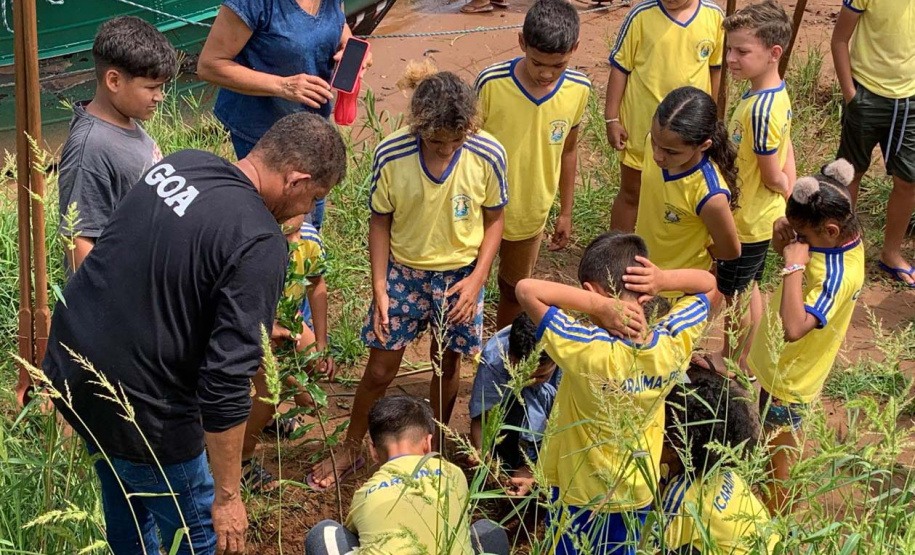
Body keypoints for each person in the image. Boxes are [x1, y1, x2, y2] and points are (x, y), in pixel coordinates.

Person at [41, 112, 347, 555]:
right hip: (145, 413)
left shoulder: (183, 164)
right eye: (314, 197)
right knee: (201, 539)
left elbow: (160, 268)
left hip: (74, 371)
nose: (307, 210)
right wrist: (228, 496)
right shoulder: (262, 243)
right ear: (296, 180)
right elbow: (225, 383)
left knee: (126, 503)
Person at [309, 66, 507, 490]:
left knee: (447, 361)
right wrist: (380, 288)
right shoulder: (391, 153)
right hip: (403, 272)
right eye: (436, 142)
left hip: (461, 276)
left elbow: (495, 220)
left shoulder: (488, 153)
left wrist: (477, 280)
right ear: (418, 127)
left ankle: (430, 445)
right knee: (380, 368)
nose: (446, 151)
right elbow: (379, 222)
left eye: (456, 142)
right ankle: (350, 444)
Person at [516, 231, 717, 555]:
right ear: (645, 289)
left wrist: (599, 305)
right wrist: (662, 278)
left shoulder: (585, 349)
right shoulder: (671, 343)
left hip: (578, 492)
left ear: (590, 292)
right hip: (636, 490)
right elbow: (708, 284)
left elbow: (526, 290)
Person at [747, 159, 865, 514]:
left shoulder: (837, 274)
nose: (799, 242)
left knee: (778, 463)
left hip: (791, 382)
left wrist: (794, 265)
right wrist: (785, 241)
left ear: (830, 231)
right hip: (778, 369)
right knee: (771, 448)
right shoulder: (834, 238)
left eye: (804, 236)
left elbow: (794, 328)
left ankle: (774, 523)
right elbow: (784, 254)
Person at [197, 0, 369, 231]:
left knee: (310, 217)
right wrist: (283, 86)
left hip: (311, 128)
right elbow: (209, 65)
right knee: (276, 226)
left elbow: (339, 28)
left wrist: (350, 49)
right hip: (262, 134)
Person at [474, 0, 590, 328]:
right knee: (470, 284)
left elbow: (569, 151)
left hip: (531, 215)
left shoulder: (578, 90)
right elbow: (466, 146)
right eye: (538, 62)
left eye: (558, 65)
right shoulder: (491, 83)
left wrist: (565, 211)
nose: (545, 73)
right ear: (522, 42)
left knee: (514, 290)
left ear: (575, 50)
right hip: (481, 212)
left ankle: (502, 350)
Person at [304, 395, 510, 555]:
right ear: (429, 442)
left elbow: (353, 536)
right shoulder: (453, 473)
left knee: (325, 532)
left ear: (373, 451)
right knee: (487, 529)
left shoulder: (365, 494)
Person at [711, 0, 796, 376]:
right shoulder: (773, 92)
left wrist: (786, 187)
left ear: (773, 53)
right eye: (729, 49)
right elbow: (787, 147)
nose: (730, 58)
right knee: (750, 287)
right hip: (762, 217)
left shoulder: (760, 109)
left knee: (735, 294)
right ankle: (746, 357)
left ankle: (732, 358)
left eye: (742, 51)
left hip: (747, 221)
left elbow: (771, 172)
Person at [58, 16, 176, 272]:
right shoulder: (90, 148)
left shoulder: (123, 121)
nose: (160, 97)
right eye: (152, 87)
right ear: (114, 81)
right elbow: (77, 238)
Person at [606, 0, 724, 232]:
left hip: (688, 135)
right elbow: (620, 67)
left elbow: (715, 69)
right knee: (632, 192)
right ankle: (616, 253)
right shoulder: (640, 16)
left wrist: (714, 118)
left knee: (679, 198)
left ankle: (667, 253)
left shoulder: (715, 18)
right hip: (643, 128)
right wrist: (611, 118)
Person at [242, 214, 333, 492]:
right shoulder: (255, 240)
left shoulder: (309, 238)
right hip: (256, 325)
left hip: (290, 320)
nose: (293, 240)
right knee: (270, 390)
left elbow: (317, 285)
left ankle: (267, 419)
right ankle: (241, 461)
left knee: (315, 378)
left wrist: (321, 342)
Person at [831, 0, 915, 287]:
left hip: (910, 103)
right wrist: (851, 95)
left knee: (909, 180)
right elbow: (840, 39)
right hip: (867, 94)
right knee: (850, 173)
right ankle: (845, 244)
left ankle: (891, 253)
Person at [660, 369, 780, 554]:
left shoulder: (681, 498)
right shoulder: (723, 470)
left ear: (675, 445)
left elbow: (646, 547)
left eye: (657, 426)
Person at [634, 87, 741, 287]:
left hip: (680, 291)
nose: (657, 155)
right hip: (643, 274)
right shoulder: (656, 145)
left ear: (703, 145)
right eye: (655, 143)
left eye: (671, 152)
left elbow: (730, 250)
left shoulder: (710, 194)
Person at [469, 313, 561, 496]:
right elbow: (482, 416)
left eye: (540, 376)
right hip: (513, 416)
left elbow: (568, 427)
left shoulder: (571, 360)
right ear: (510, 356)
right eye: (522, 375)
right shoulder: (494, 360)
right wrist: (481, 449)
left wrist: (533, 469)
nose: (530, 382)